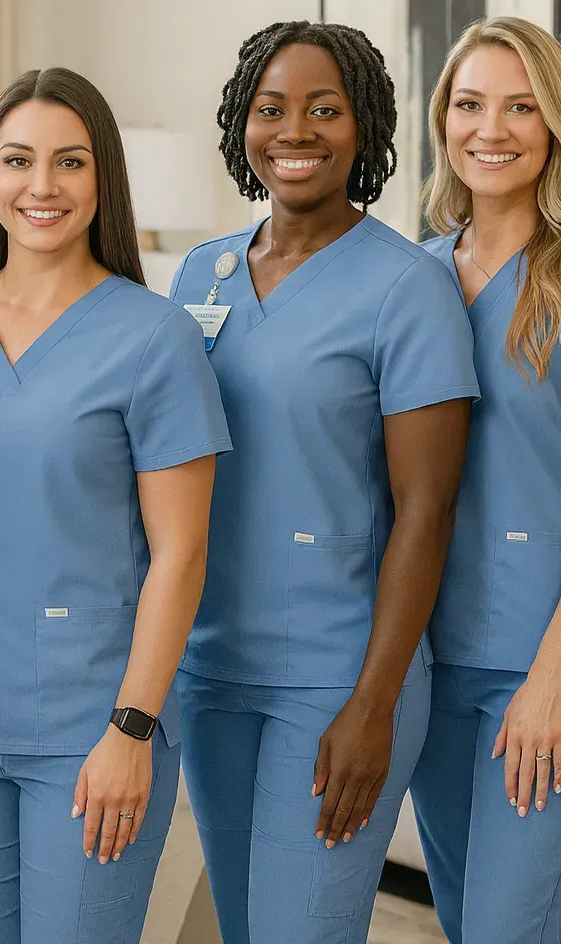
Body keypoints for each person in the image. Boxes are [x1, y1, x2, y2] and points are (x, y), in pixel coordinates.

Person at [0, 67, 230, 944]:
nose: (42, 186)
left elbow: (182, 555)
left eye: (69, 162)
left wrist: (132, 727)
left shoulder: (155, 339)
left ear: (102, 178)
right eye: (18, 160)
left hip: (92, 725)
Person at [168, 22, 480, 944]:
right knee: (242, 928)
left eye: (323, 109)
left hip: (337, 672)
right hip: (212, 665)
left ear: (365, 127)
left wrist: (373, 706)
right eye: (271, 110)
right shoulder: (200, 274)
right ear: (241, 125)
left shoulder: (404, 287)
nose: (294, 131)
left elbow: (428, 509)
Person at [410, 16, 561, 944]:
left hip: (536, 664)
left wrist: (552, 678)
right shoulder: (412, 280)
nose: (491, 129)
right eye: (470, 104)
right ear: (444, 121)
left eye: (520, 106)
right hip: (430, 664)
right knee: (467, 920)